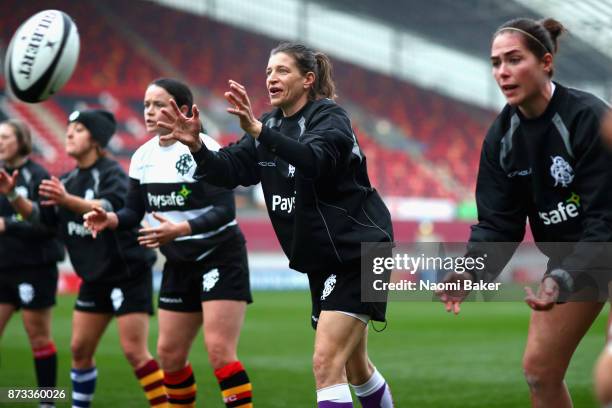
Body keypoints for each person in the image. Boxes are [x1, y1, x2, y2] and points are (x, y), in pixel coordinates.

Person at [154, 42, 395, 408]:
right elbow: (229, 169)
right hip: (325, 260)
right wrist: (197, 148)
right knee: (354, 366)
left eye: (282, 70)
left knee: (325, 362)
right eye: (268, 71)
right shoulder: (268, 125)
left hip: (362, 252)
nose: (271, 78)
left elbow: (314, 160)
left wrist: (258, 131)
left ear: (307, 80)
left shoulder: (329, 119)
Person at [437, 18, 612, 408]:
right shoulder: (501, 139)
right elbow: (499, 223)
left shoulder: (587, 118)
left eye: (514, 60)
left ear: (546, 62)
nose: (503, 72)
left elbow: (605, 220)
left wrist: (564, 278)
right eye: (496, 62)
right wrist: (470, 270)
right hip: (575, 260)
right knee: (538, 372)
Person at [83, 78, 253, 408]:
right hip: (179, 261)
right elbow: (134, 210)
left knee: (218, 351)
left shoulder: (204, 148)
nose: (149, 111)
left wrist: (181, 229)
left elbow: (225, 209)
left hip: (220, 254)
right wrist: (112, 219)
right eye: (146, 104)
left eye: (159, 104)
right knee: (169, 355)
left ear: (184, 110)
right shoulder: (141, 157)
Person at [0, 110, 168, 408]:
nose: (69, 133)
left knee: (133, 351)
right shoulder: (68, 179)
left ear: (96, 140)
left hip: (126, 272)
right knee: (79, 349)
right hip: (93, 276)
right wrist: (14, 196)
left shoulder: (112, 173)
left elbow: (107, 206)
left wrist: (67, 200)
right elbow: (42, 220)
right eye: (69, 128)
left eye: (78, 129)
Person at [0, 119, 64, 408]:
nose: (0, 142)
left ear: (22, 140)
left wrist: (8, 225)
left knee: (38, 337)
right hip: (3, 266)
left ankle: (47, 401)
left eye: (5, 137)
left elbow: (48, 227)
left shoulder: (38, 175)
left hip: (34, 267)